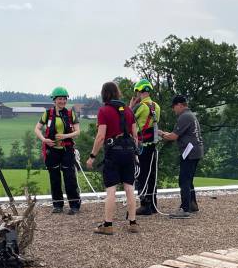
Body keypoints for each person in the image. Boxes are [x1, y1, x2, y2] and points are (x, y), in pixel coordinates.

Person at [86, 82, 140, 235]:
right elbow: (135, 136)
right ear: (117, 93)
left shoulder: (104, 111)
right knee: (130, 187)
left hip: (113, 153)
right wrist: (135, 154)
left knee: (111, 189)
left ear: (104, 94)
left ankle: (108, 225)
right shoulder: (129, 111)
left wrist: (92, 156)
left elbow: (101, 136)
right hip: (129, 152)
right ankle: (133, 222)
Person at [34, 86, 81, 214]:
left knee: (69, 177)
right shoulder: (48, 114)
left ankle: (74, 205)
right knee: (54, 178)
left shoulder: (71, 113)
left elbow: (78, 132)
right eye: (60, 99)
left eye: (64, 99)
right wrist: (44, 139)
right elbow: (37, 129)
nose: (62, 101)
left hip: (67, 150)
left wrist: (65, 136)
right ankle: (57, 205)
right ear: (54, 100)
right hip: (52, 150)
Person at [159, 95, 204, 219]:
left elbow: (173, 136)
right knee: (188, 179)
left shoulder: (184, 117)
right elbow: (176, 134)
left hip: (189, 152)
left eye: (174, 107)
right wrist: (165, 134)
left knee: (183, 180)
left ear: (179, 105)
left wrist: (161, 134)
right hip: (196, 150)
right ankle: (192, 204)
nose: (174, 110)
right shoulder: (190, 115)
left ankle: (185, 209)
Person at [130, 79, 161, 215]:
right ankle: (153, 204)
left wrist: (131, 107)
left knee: (142, 174)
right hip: (153, 145)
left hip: (142, 146)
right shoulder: (157, 106)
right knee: (152, 174)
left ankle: (145, 205)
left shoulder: (140, 107)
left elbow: (126, 119)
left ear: (140, 91)